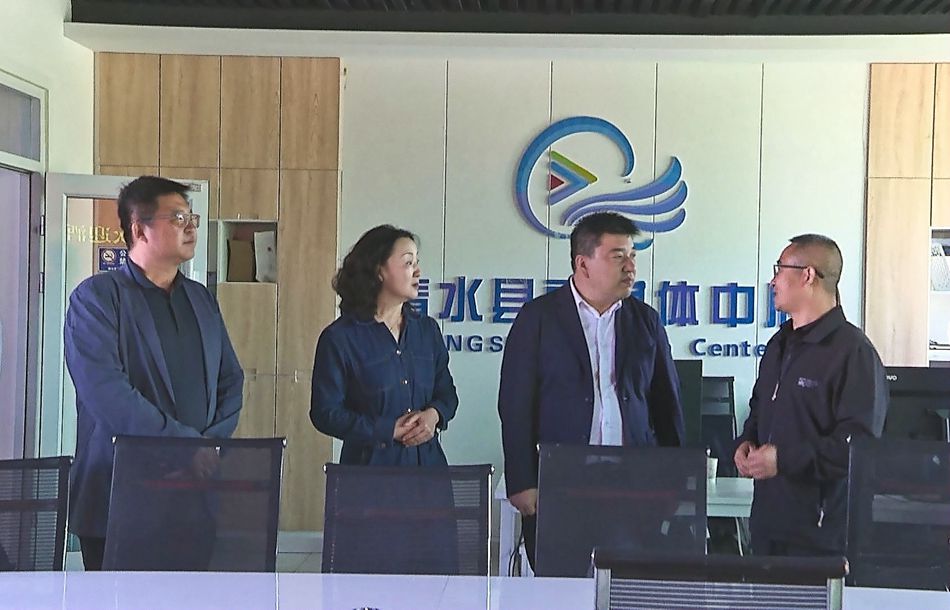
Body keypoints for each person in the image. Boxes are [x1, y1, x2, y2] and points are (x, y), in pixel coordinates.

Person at [64, 176, 244, 570]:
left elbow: (231, 380)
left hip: (195, 493)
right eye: (177, 218)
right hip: (122, 492)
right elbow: (107, 394)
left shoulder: (200, 298)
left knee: (191, 594)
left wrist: (210, 445)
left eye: (191, 217)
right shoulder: (97, 298)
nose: (191, 226)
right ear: (139, 229)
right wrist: (187, 446)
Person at [498, 211, 685, 570]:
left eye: (632, 255)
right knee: (561, 585)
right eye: (617, 256)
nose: (630, 266)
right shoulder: (538, 318)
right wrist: (522, 480)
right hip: (562, 484)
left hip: (632, 485)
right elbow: (515, 405)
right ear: (582, 263)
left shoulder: (645, 320)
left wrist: (675, 479)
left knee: (628, 584)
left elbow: (667, 405)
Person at [735, 234, 888, 557]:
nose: (773, 280)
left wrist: (783, 459)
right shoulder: (779, 344)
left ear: (807, 275)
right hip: (768, 526)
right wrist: (746, 441)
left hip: (820, 536)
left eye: (780, 269)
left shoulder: (853, 353)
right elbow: (760, 408)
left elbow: (859, 448)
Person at [310, 225, 459, 466]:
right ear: (379, 270)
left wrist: (434, 415)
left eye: (417, 262)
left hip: (428, 472)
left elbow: (447, 393)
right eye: (408, 262)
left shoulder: (427, 330)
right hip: (368, 473)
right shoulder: (340, 338)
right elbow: (325, 413)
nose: (418, 271)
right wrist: (386, 430)